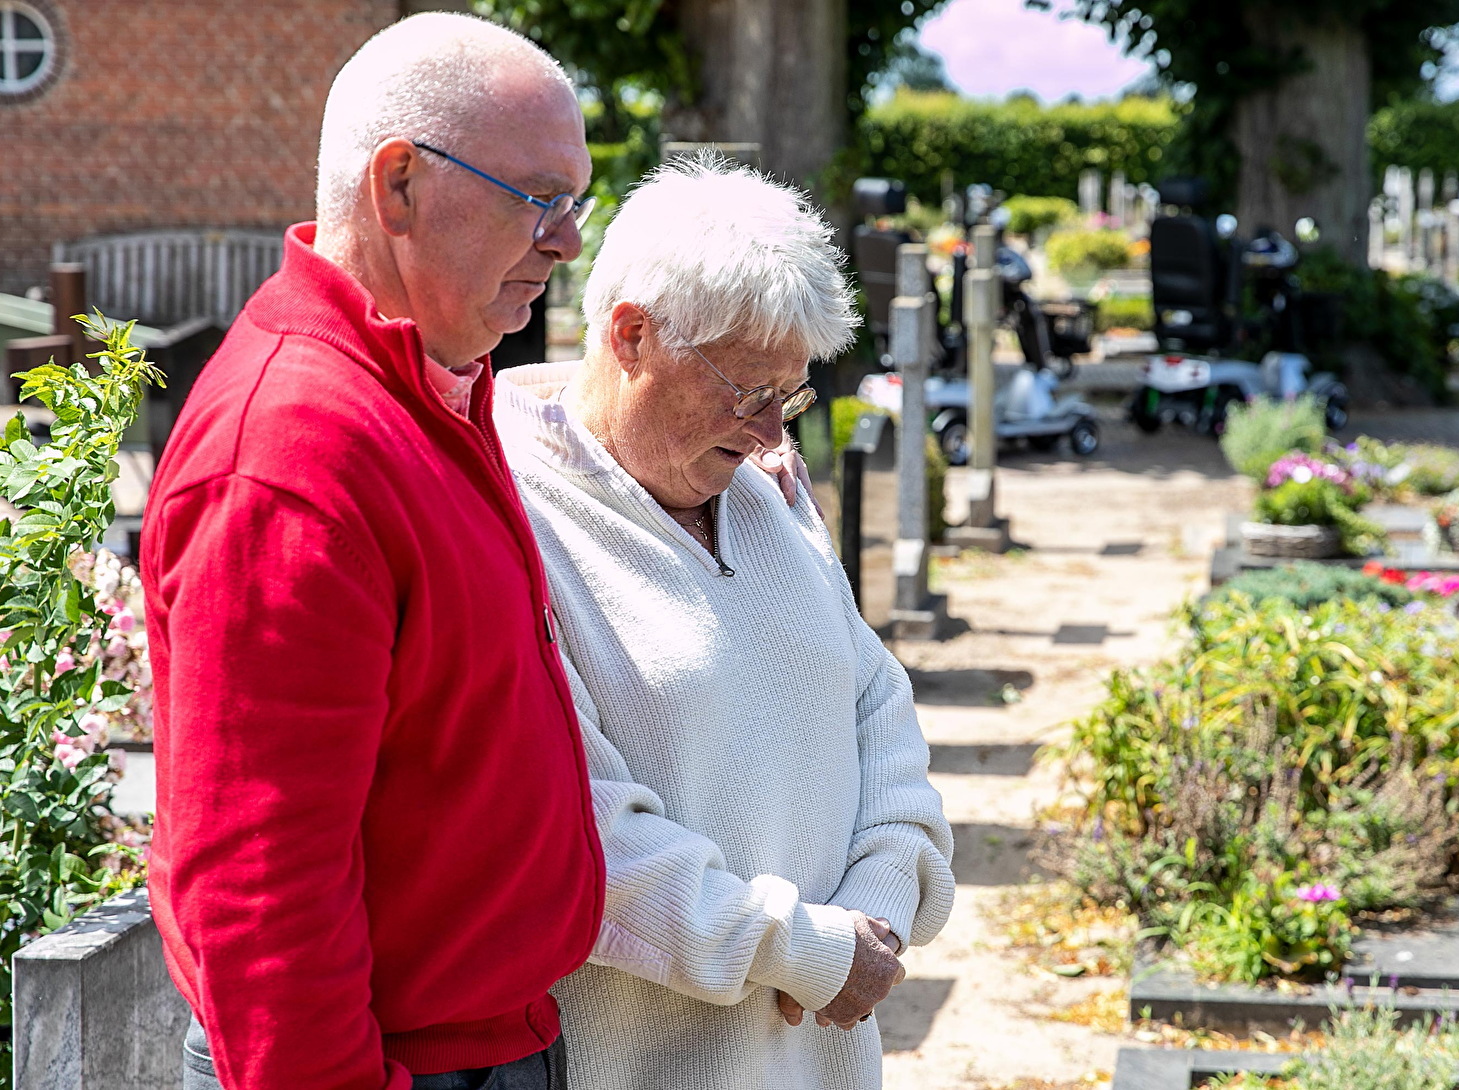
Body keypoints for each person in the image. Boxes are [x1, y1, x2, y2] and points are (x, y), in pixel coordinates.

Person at [141, 14, 605, 1089]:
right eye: (539, 199)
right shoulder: (294, 451)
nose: (568, 241)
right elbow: (260, 894)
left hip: (485, 1039)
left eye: (575, 202)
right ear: (396, 187)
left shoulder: (419, 381)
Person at [492, 155, 956, 1089]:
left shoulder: (763, 488)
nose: (770, 434)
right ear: (631, 337)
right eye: (748, 394)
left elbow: (873, 700)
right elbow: (577, 827)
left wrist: (882, 896)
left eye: (790, 399)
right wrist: (803, 951)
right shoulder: (507, 510)